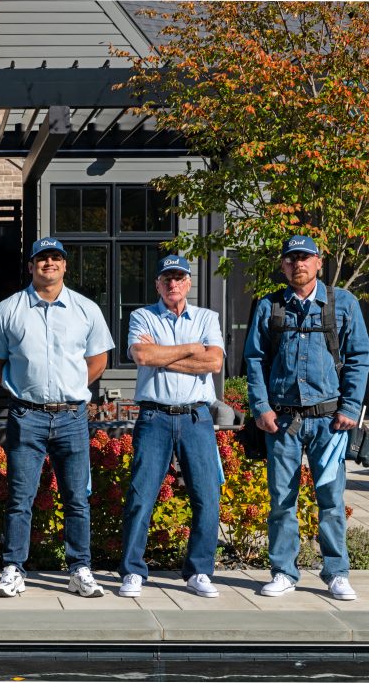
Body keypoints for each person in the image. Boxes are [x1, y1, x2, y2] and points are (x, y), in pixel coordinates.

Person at [0, 237, 113, 598]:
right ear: (31, 267)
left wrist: (71, 386)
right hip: (28, 416)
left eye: (55, 258)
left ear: (65, 265)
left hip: (72, 416)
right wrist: (19, 388)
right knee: (20, 496)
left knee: (76, 498)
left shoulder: (86, 309)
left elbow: (99, 359)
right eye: (42, 259)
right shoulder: (9, 309)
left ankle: (79, 568)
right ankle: (13, 569)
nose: (48, 264)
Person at [244, 235, 369, 601]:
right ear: (283, 265)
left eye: (305, 258)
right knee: (281, 499)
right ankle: (284, 571)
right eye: (291, 258)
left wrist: (350, 408)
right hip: (281, 422)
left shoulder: (342, 303)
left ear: (318, 263)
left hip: (329, 422)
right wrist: (261, 407)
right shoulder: (270, 306)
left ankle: (336, 573)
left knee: (330, 498)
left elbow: (359, 357)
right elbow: (254, 360)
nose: (298, 263)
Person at [117, 255, 225, 599]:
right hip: (155, 417)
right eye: (167, 279)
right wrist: (193, 350)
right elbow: (143, 357)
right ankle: (133, 571)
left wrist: (166, 354)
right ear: (157, 285)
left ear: (188, 283)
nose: (173, 284)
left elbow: (215, 362)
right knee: (141, 495)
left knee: (207, 496)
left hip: (196, 417)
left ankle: (199, 572)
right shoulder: (141, 316)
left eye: (179, 278)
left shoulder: (208, 317)